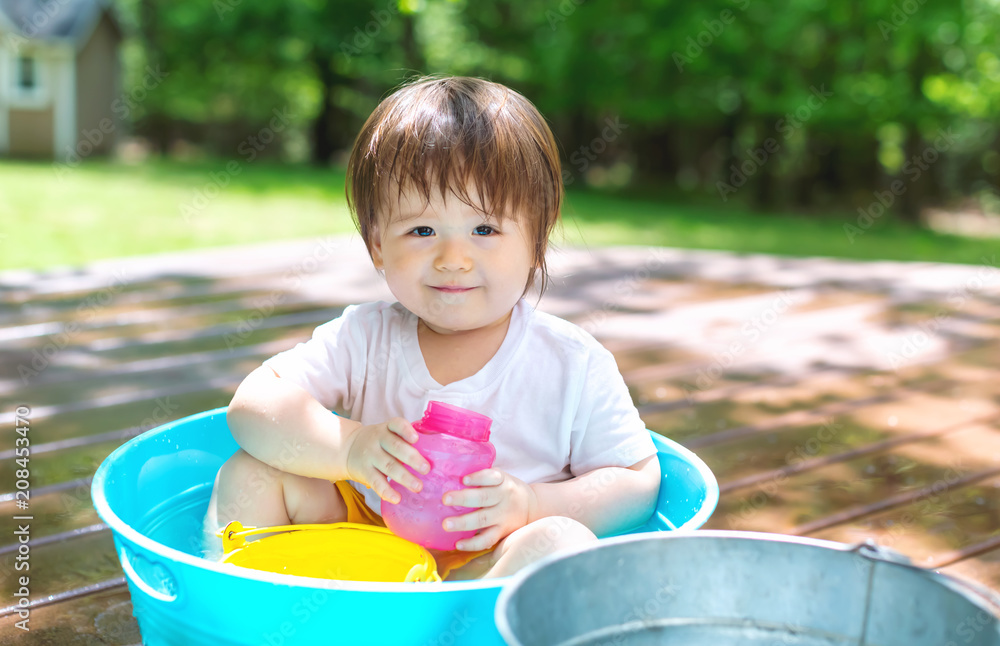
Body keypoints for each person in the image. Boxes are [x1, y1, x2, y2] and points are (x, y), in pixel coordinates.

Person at [204, 75, 661, 580]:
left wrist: (530, 504)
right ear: (377, 244)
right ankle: (254, 611)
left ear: (536, 240)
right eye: (421, 230)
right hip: (362, 549)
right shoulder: (364, 336)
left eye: (484, 229)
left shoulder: (570, 362)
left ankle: (463, 628)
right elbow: (253, 406)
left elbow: (637, 481)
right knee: (252, 472)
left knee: (562, 542)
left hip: (488, 558)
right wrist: (349, 448)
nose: (453, 259)